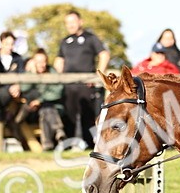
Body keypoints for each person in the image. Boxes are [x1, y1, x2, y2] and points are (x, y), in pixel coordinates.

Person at [54, 10, 110, 150]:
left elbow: (104, 54)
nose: (70, 25)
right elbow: (59, 60)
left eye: (73, 22)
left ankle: (90, 146)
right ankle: (69, 145)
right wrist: (59, 73)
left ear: (80, 22)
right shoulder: (65, 41)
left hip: (87, 84)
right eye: (68, 23)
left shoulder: (91, 38)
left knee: (88, 116)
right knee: (69, 116)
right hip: (69, 84)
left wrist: (97, 75)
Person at [17, 49, 66, 151]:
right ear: (34, 62)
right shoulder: (29, 74)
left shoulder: (52, 73)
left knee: (46, 109)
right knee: (46, 109)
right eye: (38, 62)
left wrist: (40, 100)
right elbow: (24, 88)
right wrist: (33, 75)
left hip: (52, 108)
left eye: (43, 61)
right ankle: (58, 130)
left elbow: (57, 92)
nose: (41, 65)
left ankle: (47, 145)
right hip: (31, 109)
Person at [0, 31, 27, 147]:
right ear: (1, 43)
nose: (10, 47)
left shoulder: (18, 58)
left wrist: (18, 85)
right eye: (7, 44)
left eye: (12, 44)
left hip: (15, 96)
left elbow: (22, 76)